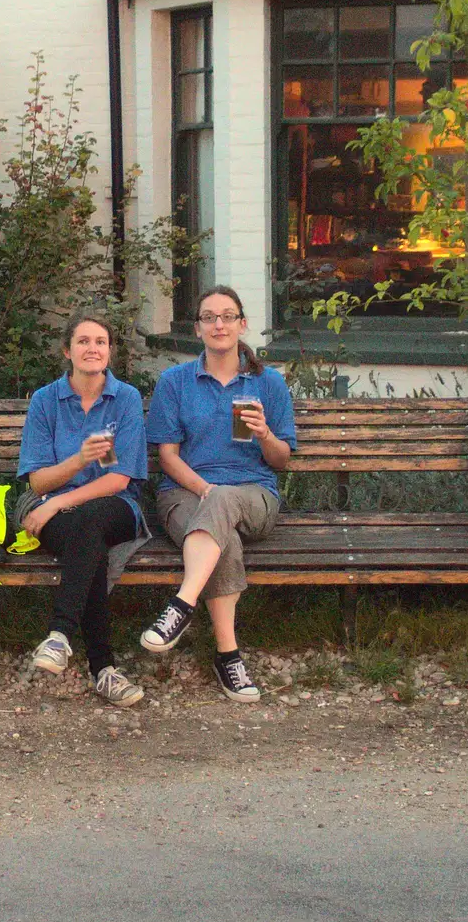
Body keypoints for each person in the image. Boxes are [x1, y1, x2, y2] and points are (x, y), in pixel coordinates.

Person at [138, 286, 295, 703]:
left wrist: (264, 435)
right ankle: (228, 655)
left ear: (242, 324)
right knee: (220, 525)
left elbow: (282, 461)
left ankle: (181, 605)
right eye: (210, 317)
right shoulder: (175, 382)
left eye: (228, 316)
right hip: (185, 493)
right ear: (199, 328)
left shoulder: (268, 384)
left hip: (254, 494)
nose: (219, 324)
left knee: (223, 503)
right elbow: (168, 458)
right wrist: (205, 490)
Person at [17, 312, 148, 707]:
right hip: (56, 511)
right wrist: (76, 461)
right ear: (67, 351)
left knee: (89, 521)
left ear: (110, 351)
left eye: (100, 342)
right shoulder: (46, 400)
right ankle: (103, 669)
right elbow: (37, 481)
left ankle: (59, 634)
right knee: (86, 538)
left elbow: (119, 480)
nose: (92, 349)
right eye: (83, 341)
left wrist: (57, 502)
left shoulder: (125, 399)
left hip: (113, 505)